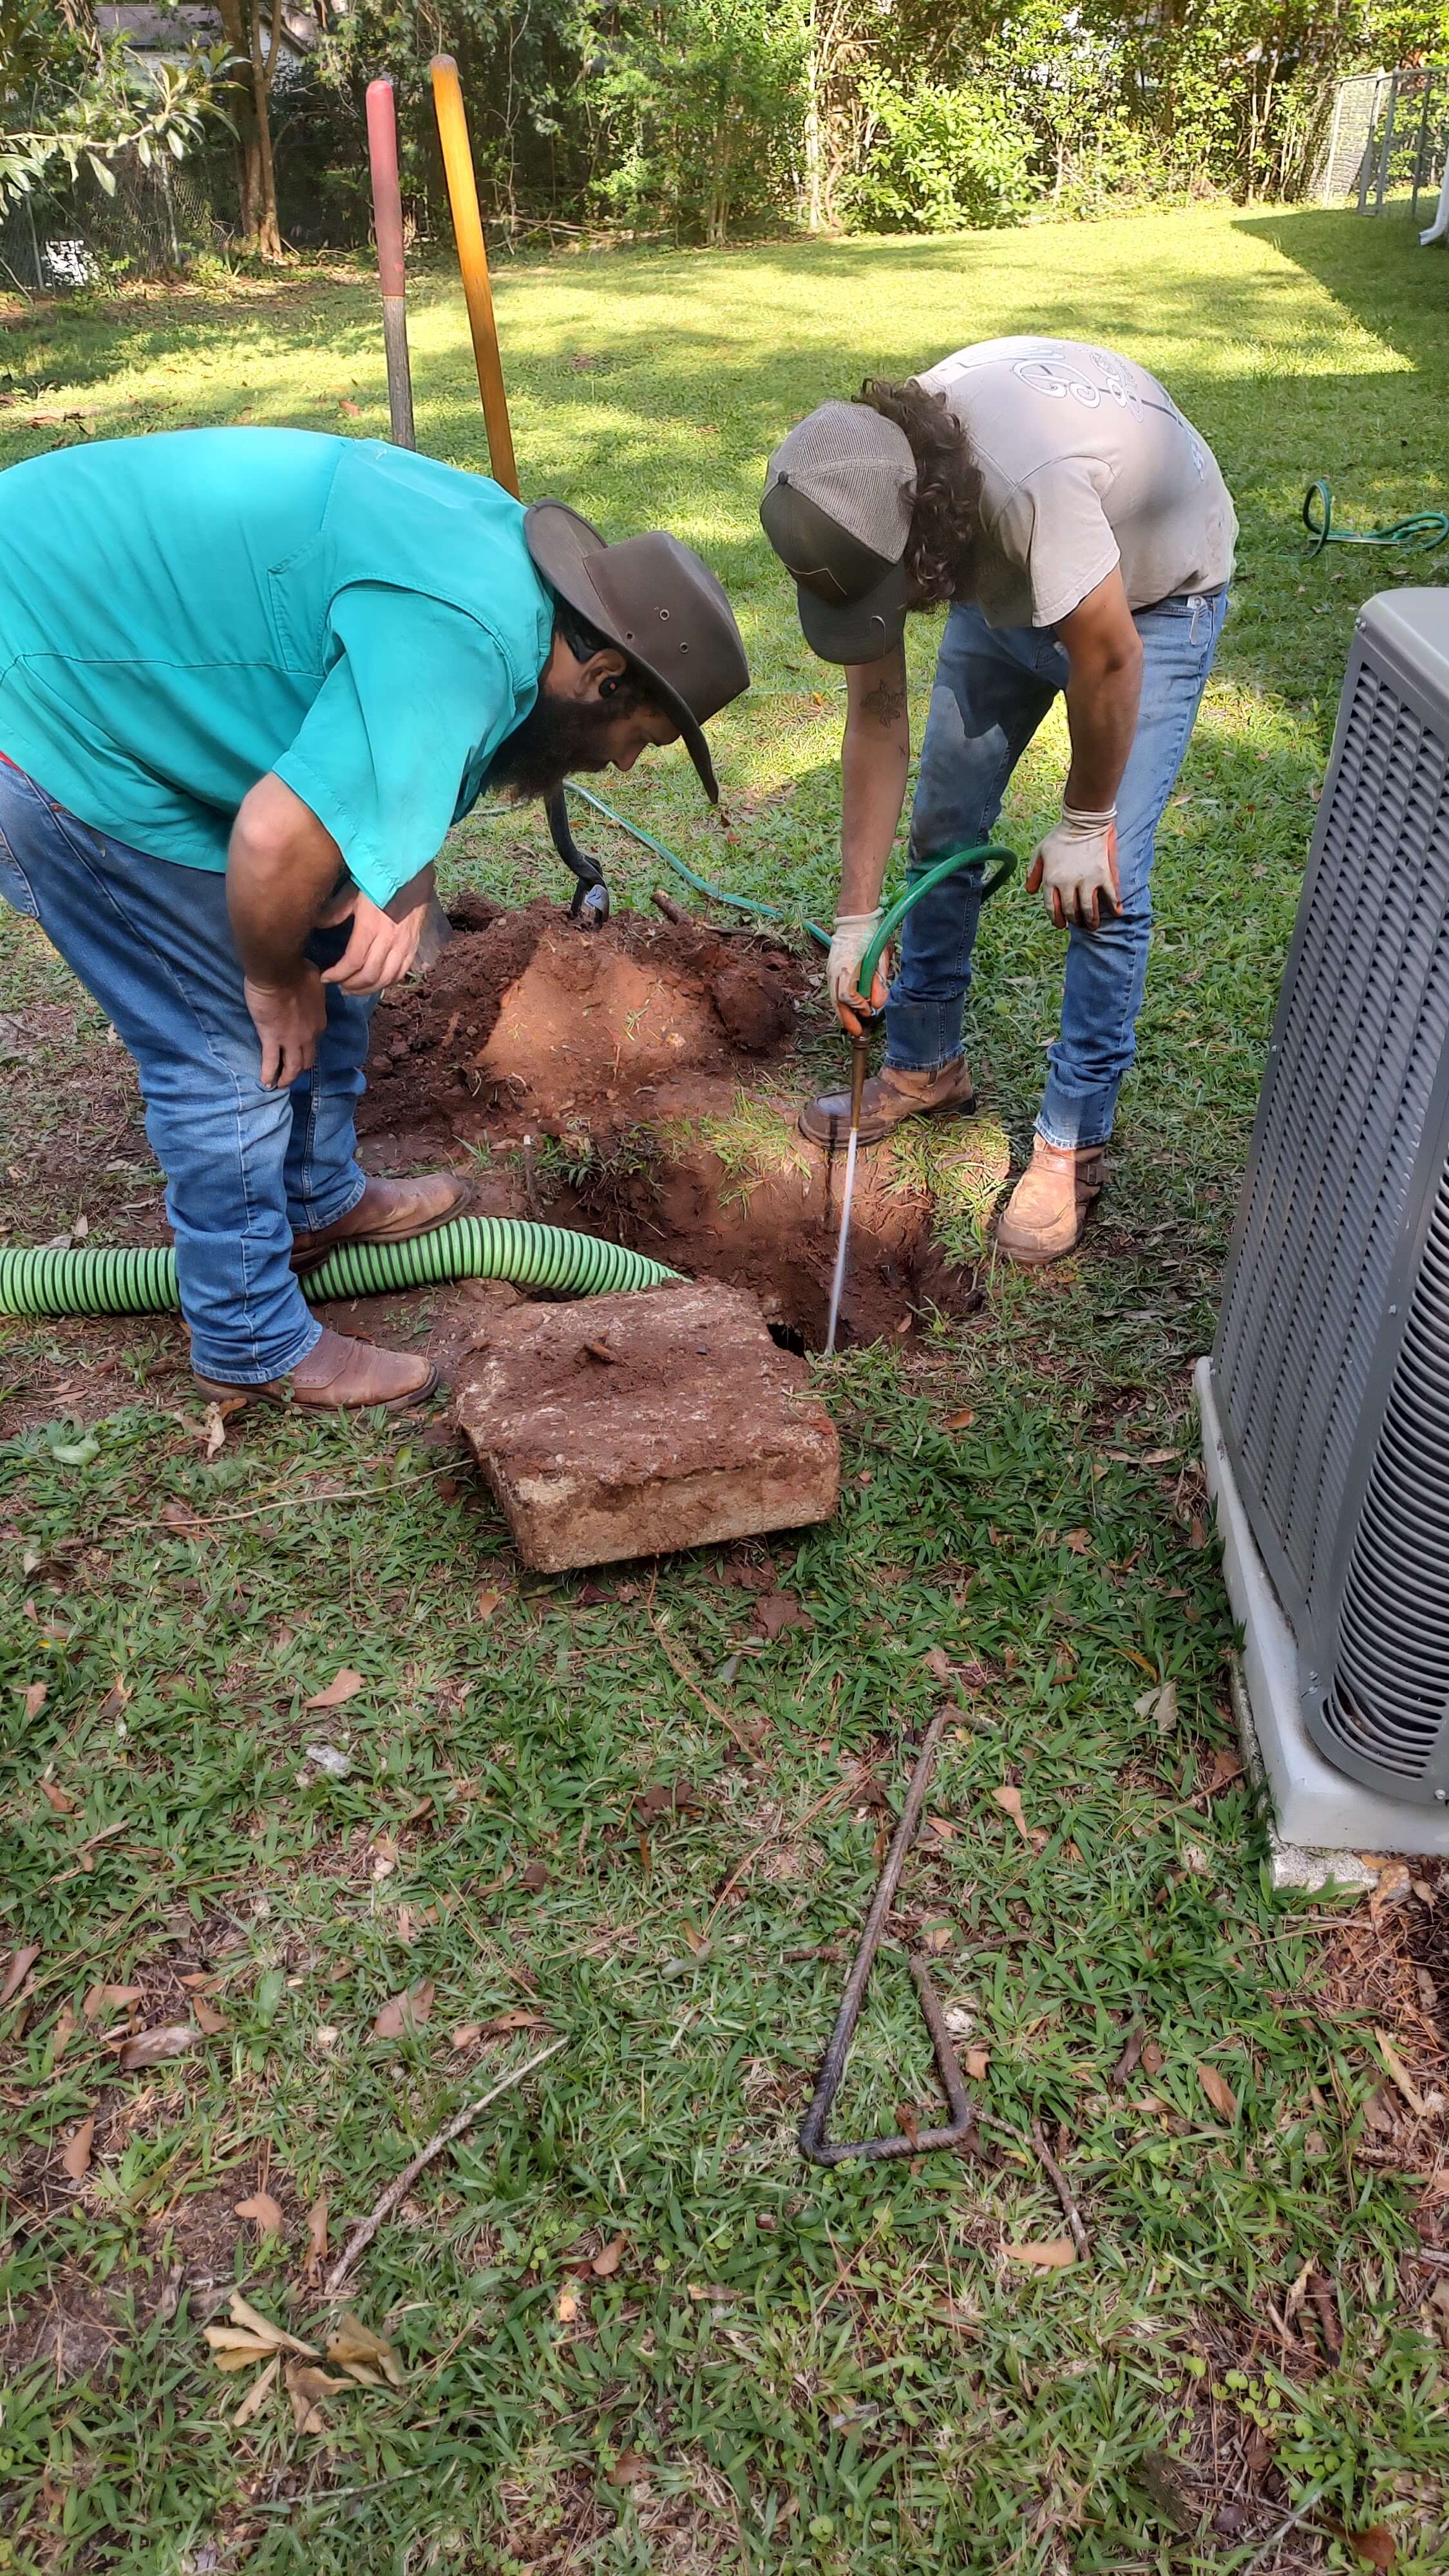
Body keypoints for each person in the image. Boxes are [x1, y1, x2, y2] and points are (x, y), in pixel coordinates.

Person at [0, 428, 748, 1405]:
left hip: (108, 637)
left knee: (346, 924)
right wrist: (271, 984)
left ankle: (317, 1200)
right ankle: (249, 1338)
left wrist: (403, 885)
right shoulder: (467, 647)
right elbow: (272, 840)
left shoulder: (509, 584)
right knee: (228, 1039)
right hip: (46, 690)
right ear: (604, 675)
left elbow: (414, 754)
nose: (619, 767)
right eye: (633, 736)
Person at [760, 337, 1235, 1262]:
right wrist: (858, 918)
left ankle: (1069, 1147)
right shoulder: (863, 497)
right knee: (944, 818)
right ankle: (924, 1064)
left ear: (924, 541)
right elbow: (877, 717)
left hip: (1147, 598)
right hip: (1000, 571)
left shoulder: (1028, 491)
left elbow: (1107, 657)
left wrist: (1083, 817)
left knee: (1103, 883)